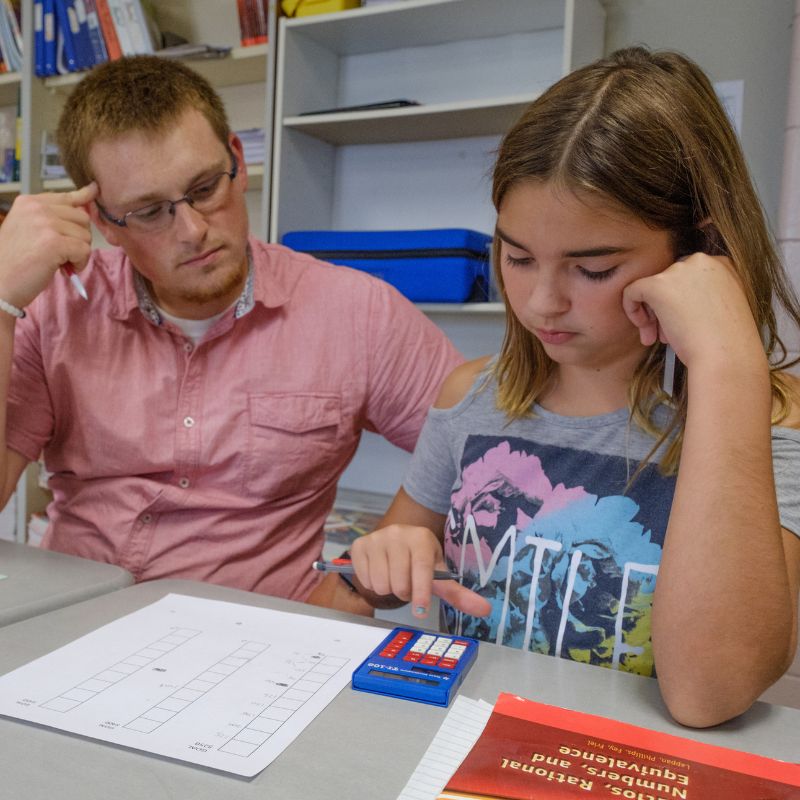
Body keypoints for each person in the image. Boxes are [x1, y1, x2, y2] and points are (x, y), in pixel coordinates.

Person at [331, 47, 800, 727]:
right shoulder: (472, 397)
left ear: (700, 252)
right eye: (517, 257)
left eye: (592, 268)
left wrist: (727, 365)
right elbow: (358, 580)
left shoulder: (770, 424)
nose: (542, 302)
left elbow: (709, 691)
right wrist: (374, 564)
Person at [0, 56, 462, 604]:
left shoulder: (355, 311)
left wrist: (361, 584)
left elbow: (486, 455)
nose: (193, 230)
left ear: (237, 160)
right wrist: (0, 299)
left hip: (265, 638)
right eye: (149, 211)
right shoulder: (55, 309)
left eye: (203, 188)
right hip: (77, 617)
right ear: (103, 221)